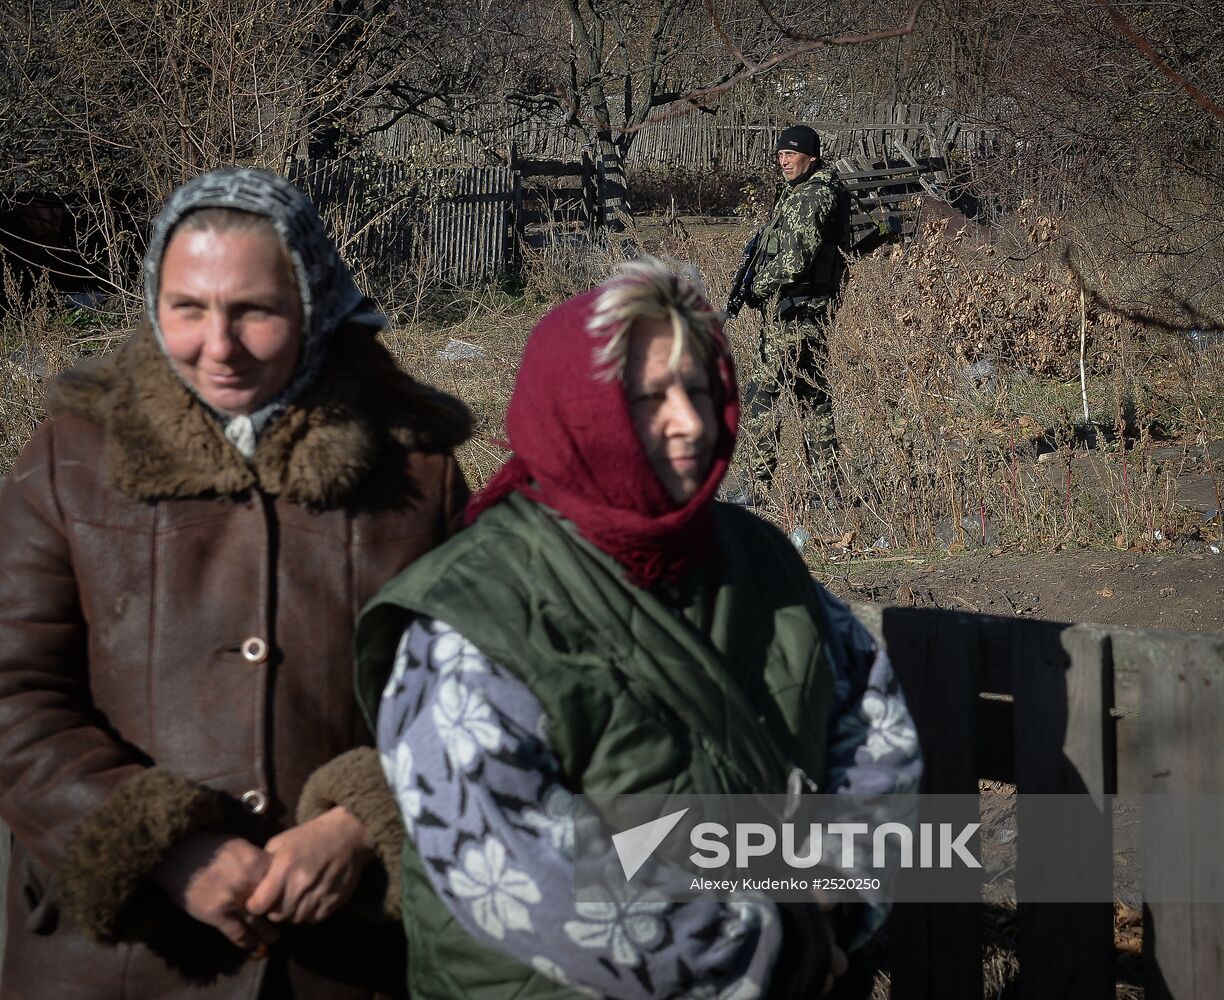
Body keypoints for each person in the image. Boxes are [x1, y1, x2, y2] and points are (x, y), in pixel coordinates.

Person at [356, 258, 920, 998]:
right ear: (580, 413)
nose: (689, 421)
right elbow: (521, 869)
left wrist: (832, 902)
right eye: (650, 397)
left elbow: (875, 730)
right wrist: (772, 949)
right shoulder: (471, 613)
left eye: (697, 388)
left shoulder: (759, 558)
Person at [0, 167, 471, 998]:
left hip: (344, 958)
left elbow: (470, 692)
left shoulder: (415, 472)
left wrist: (365, 818)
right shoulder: (69, 463)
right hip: (116, 959)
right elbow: (13, 690)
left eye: (253, 309)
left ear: (313, 305)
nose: (218, 345)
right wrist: (155, 845)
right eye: (188, 308)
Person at [741, 124, 851, 491]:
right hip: (812, 312)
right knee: (813, 398)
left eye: (791, 154)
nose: (783, 161)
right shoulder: (815, 191)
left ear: (811, 156)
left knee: (761, 398)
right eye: (780, 155)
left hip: (792, 314)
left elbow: (794, 259)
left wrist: (757, 287)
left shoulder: (810, 197)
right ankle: (827, 488)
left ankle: (757, 488)